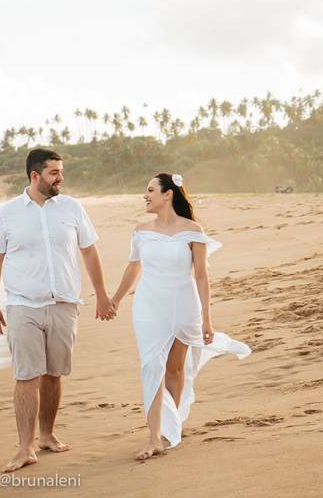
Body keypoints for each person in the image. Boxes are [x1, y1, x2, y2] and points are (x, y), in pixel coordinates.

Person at [0, 148, 116, 473]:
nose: (61, 177)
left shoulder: (72, 208)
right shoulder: (8, 213)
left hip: (64, 303)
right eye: (54, 172)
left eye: (61, 171)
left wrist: (101, 294)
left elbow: (89, 251)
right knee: (26, 375)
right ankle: (24, 447)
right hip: (22, 305)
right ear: (35, 176)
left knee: (53, 374)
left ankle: (46, 435)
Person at [111, 172, 252, 460]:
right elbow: (132, 268)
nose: (145, 195)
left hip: (184, 305)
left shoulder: (193, 231)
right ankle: (153, 438)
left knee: (174, 370)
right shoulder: (141, 229)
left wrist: (207, 320)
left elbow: (201, 276)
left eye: (150, 190)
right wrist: (114, 299)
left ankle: (168, 430)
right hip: (149, 306)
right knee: (151, 366)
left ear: (168, 194)